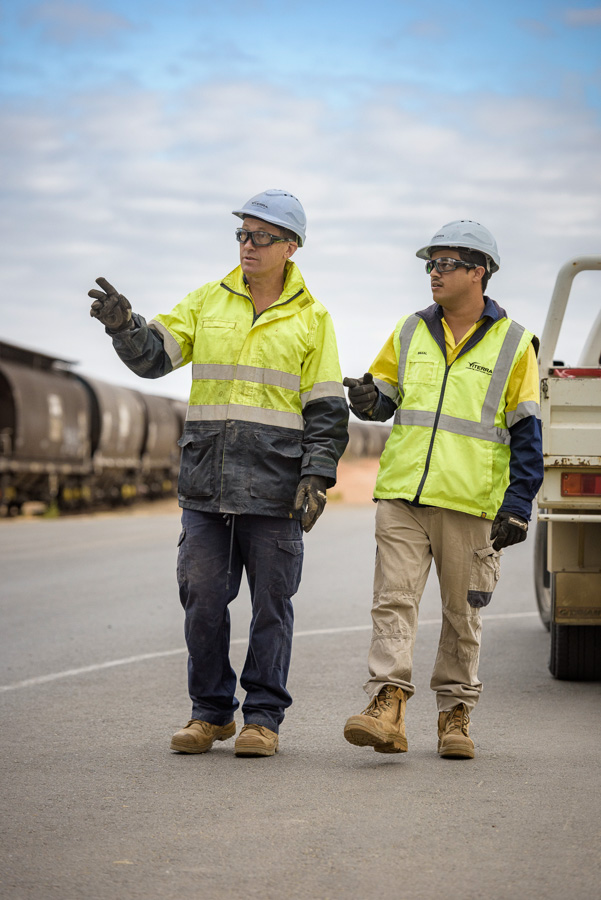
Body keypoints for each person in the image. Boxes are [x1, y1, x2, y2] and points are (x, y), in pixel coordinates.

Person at [88, 189, 348, 757]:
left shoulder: (313, 319)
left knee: (271, 609)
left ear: (291, 246)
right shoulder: (208, 301)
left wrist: (316, 477)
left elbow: (327, 408)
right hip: (207, 485)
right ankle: (210, 714)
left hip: (275, 489)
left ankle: (263, 719)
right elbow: (154, 357)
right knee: (202, 600)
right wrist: (124, 326)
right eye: (242, 234)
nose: (248, 245)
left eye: (261, 236)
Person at [342, 220, 543, 759]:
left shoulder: (515, 344)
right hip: (404, 496)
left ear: (479, 272)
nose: (434, 272)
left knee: (462, 614)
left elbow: (528, 433)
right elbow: (384, 397)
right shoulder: (409, 330)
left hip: (470, 503)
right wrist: (368, 400)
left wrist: (518, 505)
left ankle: (455, 714)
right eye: (431, 264)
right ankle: (387, 704)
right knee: (393, 602)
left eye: (447, 264)